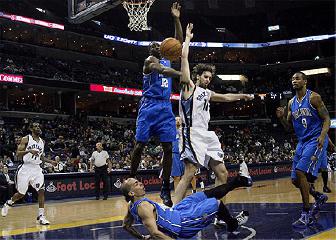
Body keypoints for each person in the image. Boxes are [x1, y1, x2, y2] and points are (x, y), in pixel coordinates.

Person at [174, 23, 254, 207]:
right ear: (197, 76)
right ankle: (173, 210)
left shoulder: (207, 93)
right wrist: (187, 39)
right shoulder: (188, 87)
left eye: (210, 77)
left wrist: (242, 95)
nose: (208, 80)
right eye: (205, 77)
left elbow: (225, 97)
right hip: (191, 132)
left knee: (223, 173)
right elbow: (183, 57)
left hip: (207, 134)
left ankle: (218, 210)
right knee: (189, 171)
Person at [129, 2, 183, 207]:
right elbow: (163, 71)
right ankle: (131, 180)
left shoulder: (167, 58)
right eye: (151, 46)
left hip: (165, 107)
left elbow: (177, 42)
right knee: (139, 145)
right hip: (149, 106)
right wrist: (182, 75)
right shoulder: (150, 62)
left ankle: (164, 188)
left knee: (168, 148)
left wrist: (176, 18)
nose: (154, 47)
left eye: (157, 45)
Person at [121, 164, 252, 239]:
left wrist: (142, 238)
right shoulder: (143, 207)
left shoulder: (130, 205)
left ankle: (239, 181)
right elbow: (155, 233)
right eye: (137, 184)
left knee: (205, 194)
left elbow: (126, 226)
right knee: (216, 203)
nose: (141, 184)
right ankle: (232, 224)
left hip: (177, 211)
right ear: (131, 193)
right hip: (182, 223)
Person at [276, 71, 330, 228]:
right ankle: (318, 196)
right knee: (295, 180)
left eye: (297, 78)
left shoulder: (314, 97)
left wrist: (322, 136)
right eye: (292, 78)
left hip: (314, 139)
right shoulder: (291, 103)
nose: (294, 80)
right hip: (301, 142)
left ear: (305, 81)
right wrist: (281, 118)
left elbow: (326, 118)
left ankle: (306, 213)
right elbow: (289, 129)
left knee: (301, 172)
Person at [1, 122, 56, 225]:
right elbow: (18, 154)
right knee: (21, 194)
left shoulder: (42, 142)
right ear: (31, 129)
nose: (38, 128)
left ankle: (41, 216)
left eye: (39, 126)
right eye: (36, 126)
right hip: (25, 168)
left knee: (41, 191)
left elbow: (40, 156)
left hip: (36, 169)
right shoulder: (26, 139)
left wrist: (50, 161)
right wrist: (29, 151)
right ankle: (9, 203)